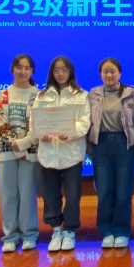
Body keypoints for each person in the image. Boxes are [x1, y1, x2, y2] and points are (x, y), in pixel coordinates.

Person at [30, 56, 91, 253]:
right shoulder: (42, 96)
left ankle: (70, 231)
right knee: (50, 195)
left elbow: (85, 123)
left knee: (72, 196)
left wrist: (69, 133)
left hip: (71, 152)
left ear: (70, 71)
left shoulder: (82, 95)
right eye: (56, 70)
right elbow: (34, 122)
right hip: (48, 153)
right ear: (51, 73)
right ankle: (56, 230)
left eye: (64, 70)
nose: (60, 74)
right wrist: (40, 134)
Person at [88, 58, 134, 249]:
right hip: (101, 145)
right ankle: (107, 231)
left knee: (123, 191)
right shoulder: (93, 96)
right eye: (105, 71)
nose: (109, 75)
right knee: (104, 191)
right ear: (100, 74)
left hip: (123, 144)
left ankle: (121, 231)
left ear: (120, 73)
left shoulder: (131, 95)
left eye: (112, 71)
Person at [0, 54, 42, 253]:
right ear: (12, 69)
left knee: (28, 194)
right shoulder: (2, 95)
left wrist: (23, 144)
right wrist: (13, 143)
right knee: (7, 195)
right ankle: (10, 237)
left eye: (27, 68)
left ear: (32, 71)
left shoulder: (39, 95)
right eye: (19, 67)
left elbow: (39, 125)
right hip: (5, 152)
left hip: (30, 153)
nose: (23, 71)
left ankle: (29, 235)